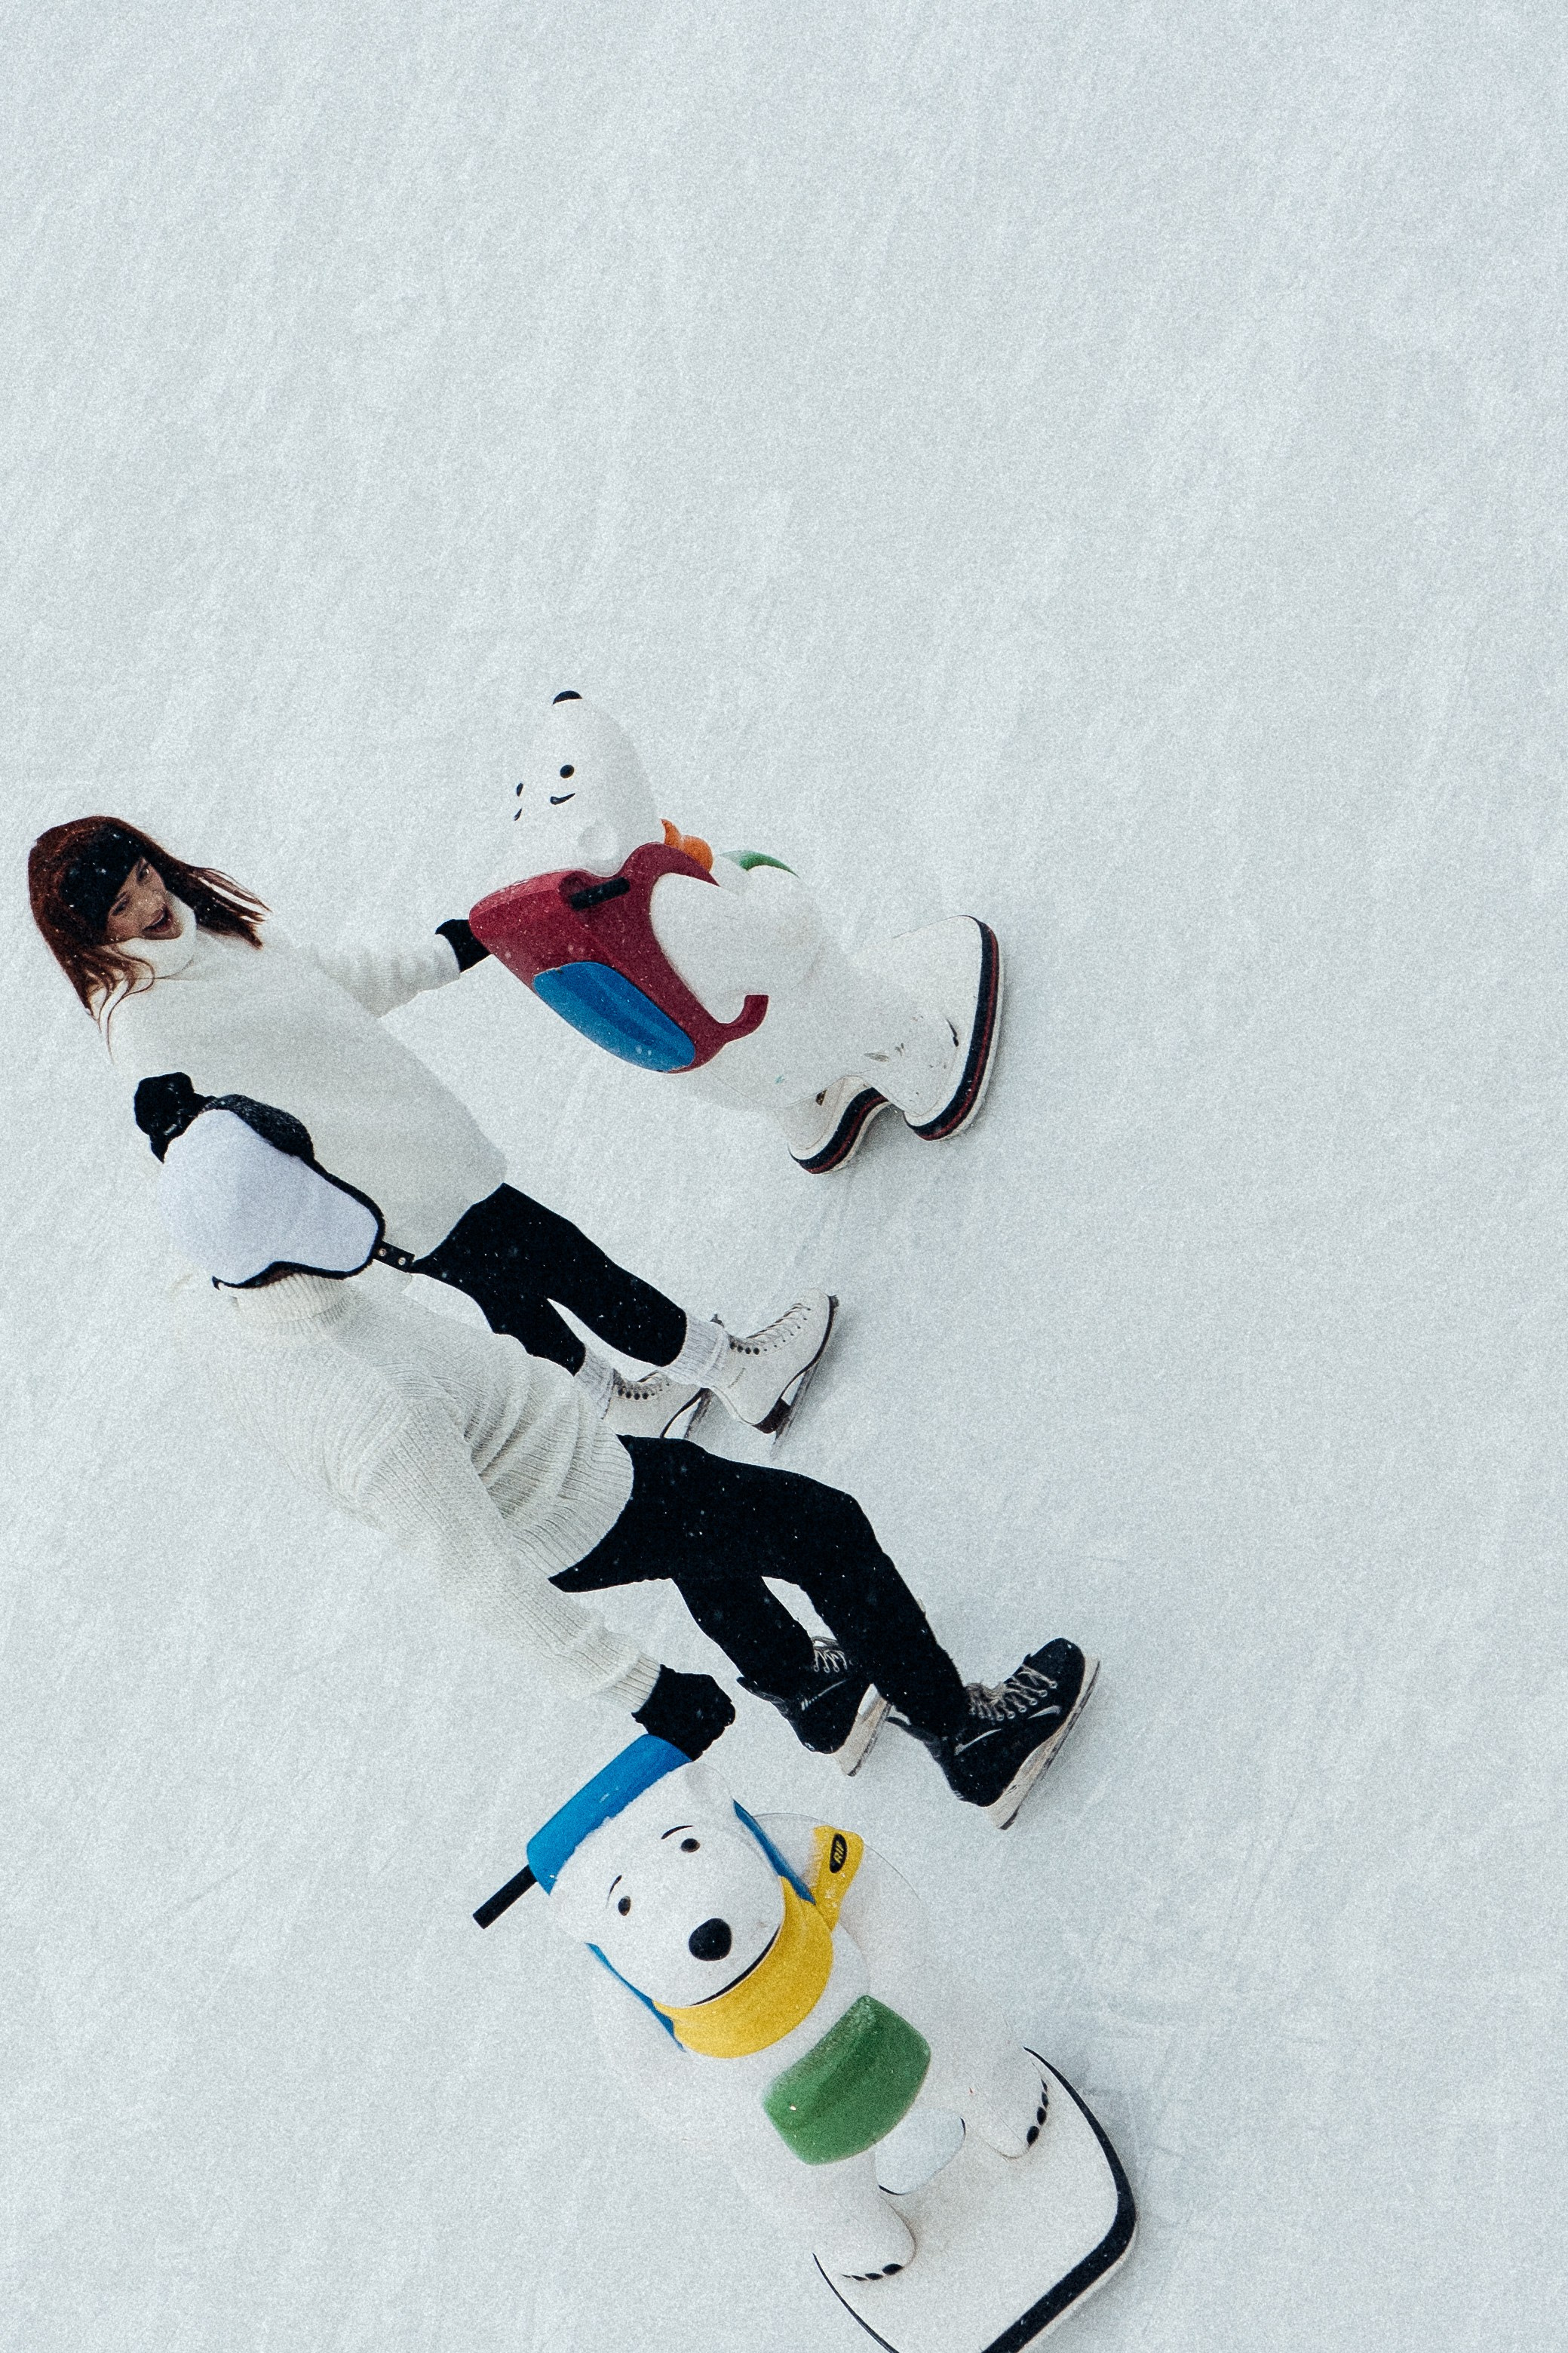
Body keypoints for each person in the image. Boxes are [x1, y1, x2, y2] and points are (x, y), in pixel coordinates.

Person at [152, 1085, 1097, 1825]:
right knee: (822, 1527)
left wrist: (185, 1132)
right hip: (580, 1498)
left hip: (560, 1465)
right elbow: (479, 1579)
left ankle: (814, 1692)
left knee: (705, 1546)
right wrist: (640, 1686)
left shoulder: (209, 1303)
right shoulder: (376, 1415)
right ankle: (968, 1737)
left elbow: (217, 1218)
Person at [27, 816, 832, 1436]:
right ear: (92, 936)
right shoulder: (141, 1020)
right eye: (121, 909)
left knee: (516, 1295)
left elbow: (337, 985)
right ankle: (733, 1368)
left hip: (418, 1142)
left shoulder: (220, 934)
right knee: (572, 1264)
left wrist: (452, 950)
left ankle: (619, 1407)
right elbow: (181, 1148)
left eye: (140, 876)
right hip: (386, 1186)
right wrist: (171, 1129)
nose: (149, 905)